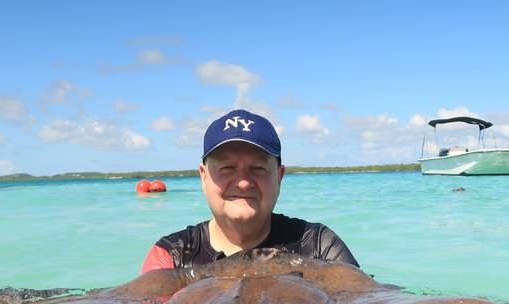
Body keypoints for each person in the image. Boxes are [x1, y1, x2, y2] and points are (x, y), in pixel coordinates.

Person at [140, 109, 358, 273]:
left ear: (279, 177)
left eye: (258, 168)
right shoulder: (170, 257)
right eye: (226, 168)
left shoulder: (318, 246)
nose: (243, 182)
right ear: (204, 177)